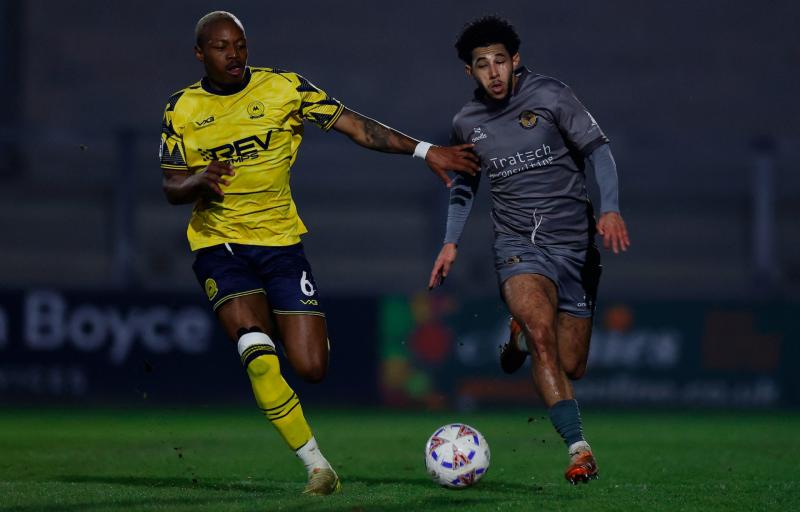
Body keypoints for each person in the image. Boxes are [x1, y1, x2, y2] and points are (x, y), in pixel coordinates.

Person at [160, 11, 479, 496]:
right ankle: (318, 466)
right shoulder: (181, 108)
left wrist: (424, 151)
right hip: (219, 246)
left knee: (311, 368)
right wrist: (198, 181)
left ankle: (287, 334)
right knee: (255, 351)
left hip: (281, 246)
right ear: (200, 53)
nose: (234, 54)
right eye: (221, 47)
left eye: (240, 44)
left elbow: (356, 126)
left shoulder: (285, 88)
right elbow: (171, 186)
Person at [428, 16, 630, 485]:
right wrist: (450, 242)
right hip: (517, 245)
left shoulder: (552, 96)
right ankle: (579, 449)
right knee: (543, 333)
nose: (493, 72)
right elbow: (464, 186)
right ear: (470, 71)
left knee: (571, 363)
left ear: (515, 60)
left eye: (500, 61)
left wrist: (611, 209)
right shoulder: (466, 123)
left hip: (575, 248)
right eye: (482, 65)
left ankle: (517, 339)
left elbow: (599, 152)